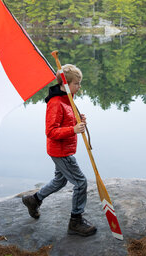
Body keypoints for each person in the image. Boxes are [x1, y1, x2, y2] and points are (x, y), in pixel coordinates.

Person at [22, 64, 97, 237]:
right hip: (61, 151)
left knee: (60, 181)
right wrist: (73, 130)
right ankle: (75, 221)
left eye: (79, 83)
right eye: (77, 83)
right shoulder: (56, 103)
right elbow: (50, 132)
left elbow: (67, 121)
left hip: (64, 149)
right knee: (80, 182)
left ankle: (34, 200)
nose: (79, 86)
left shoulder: (67, 99)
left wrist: (78, 122)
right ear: (65, 83)